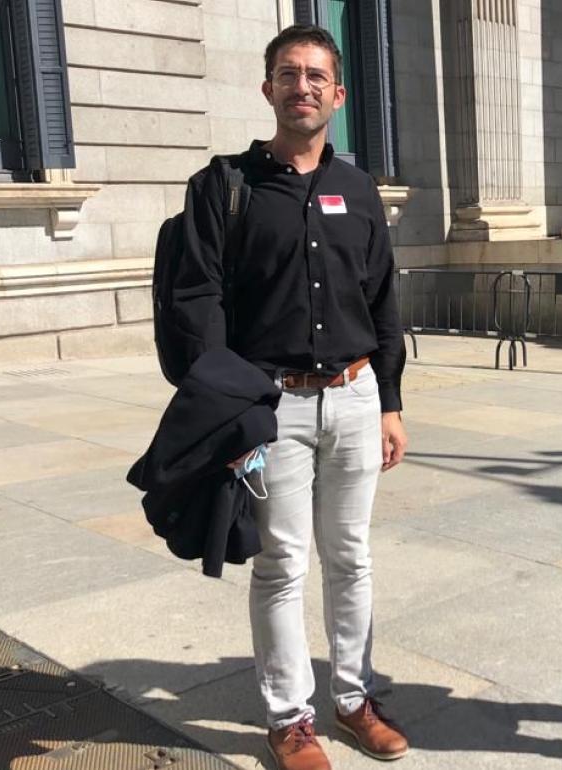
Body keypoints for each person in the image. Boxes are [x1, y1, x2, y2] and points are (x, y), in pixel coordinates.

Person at [171, 24, 409, 770]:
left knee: (352, 557)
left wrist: (392, 400)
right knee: (281, 563)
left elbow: (381, 301)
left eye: (316, 75)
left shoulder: (359, 189)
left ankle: (353, 699)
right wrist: (229, 412)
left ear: (338, 95)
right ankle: (289, 718)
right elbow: (197, 303)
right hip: (270, 408)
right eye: (287, 73)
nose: (301, 85)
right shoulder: (224, 188)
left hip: (355, 397)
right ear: (267, 88)